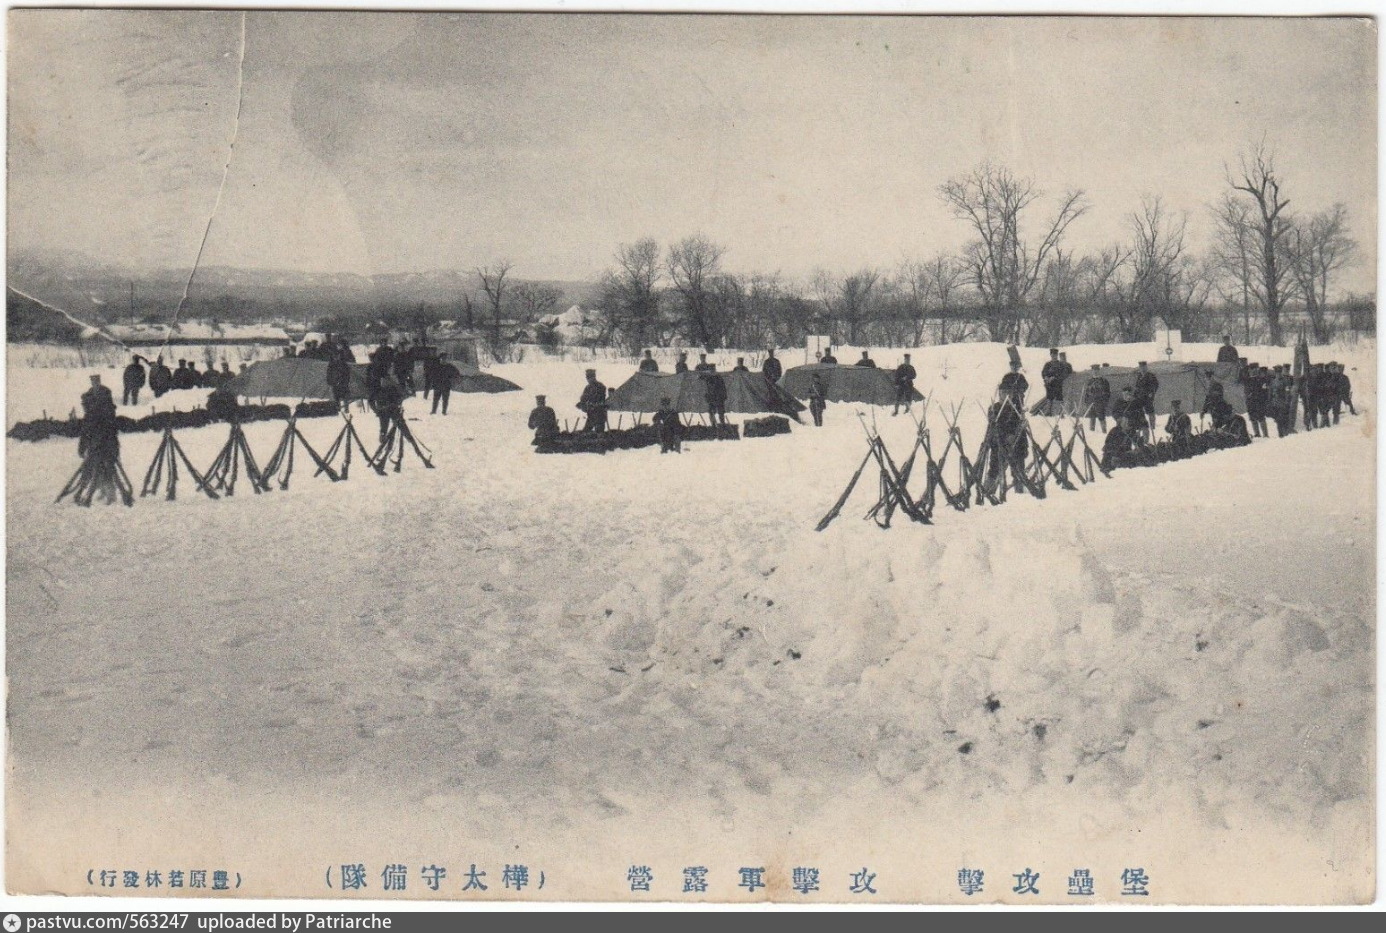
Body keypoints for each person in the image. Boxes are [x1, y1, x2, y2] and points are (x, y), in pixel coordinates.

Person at [368, 375, 406, 444]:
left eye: (386, 381)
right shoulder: (377, 390)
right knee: (383, 429)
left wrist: (397, 404)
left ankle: (409, 439)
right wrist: (376, 410)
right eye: (382, 381)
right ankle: (383, 442)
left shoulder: (392, 388)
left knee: (401, 425)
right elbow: (371, 401)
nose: (384, 382)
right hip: (383, 412)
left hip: (393, 410)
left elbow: (401, 396)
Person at [1243, 363, 1271, 438]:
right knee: (1252, 418)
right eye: (1251, 369)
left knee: (1261, 418)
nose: (1252, 371)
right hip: (1250, 403)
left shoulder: (1261, 380)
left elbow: (1265, 392)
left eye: (1254, 369)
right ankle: (1257, 434)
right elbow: (1246, 392)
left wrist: (1264, 402)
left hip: (1259, 402)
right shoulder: (1247, 380)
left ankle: (1265, 435)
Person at [1082, 364, 1111, 432]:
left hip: (1100, 403)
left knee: (1102, 419)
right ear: (1092, 371)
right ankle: (1092, 434)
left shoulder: (1103, 381)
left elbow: (1108, 392)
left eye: (1096, 370)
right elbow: (1087, 392)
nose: (1095, 372)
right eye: (1093, 370)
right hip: (1091, 403)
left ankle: (1104, 432)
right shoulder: (1089, 381)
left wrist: (1104, 402)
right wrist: (1086, 402)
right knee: (1092, 419)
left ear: (1099, 370)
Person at [1133, 361, 1159, 436]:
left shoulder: (1150, 376)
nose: (1142, 369)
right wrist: (1135, 395)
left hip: (1148, 398)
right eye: (1141, 367)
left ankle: (1152, 426)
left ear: (1146, 367)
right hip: (1140, 398)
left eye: (1144, 367)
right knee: (1139, 412)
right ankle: (1141, 426)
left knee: (1150, 412)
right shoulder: (1139, 376)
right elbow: (1137, 387)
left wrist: (1152, 393)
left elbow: (1156, 385)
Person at [1040, 348, 1068, 415]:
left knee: (1059, 397)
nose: (1053, 356)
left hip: (1058, 384)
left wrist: (1055, 378)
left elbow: (1064, 374)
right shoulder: (1047, 364)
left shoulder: (1060, 364)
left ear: (1057, 355)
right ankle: (1048, 411)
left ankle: (1060, 413)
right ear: (1050, 355)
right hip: (1049, 385)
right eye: (1052, 355)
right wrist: (1046, 378)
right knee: (1049, 397)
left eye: (1055, 355)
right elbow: (1043, 372)